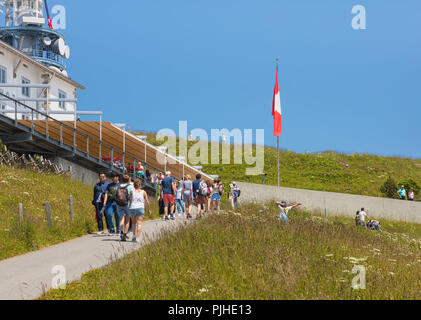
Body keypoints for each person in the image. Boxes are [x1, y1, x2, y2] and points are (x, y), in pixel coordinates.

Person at [128, 179, 151, 243]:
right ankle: (137, 238)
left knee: (133, 223)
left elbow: (130, 201)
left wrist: (129, 207)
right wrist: (149, 209)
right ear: (140, 185)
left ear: (134, 185)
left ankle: (134, 235)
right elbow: (147, 201)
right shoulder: (143, 192)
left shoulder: (132, 191)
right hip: (140, 208)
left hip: (133, 207)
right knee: (139, 223)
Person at [116, 175, 134, 241]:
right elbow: (132, 195)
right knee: (127, 220)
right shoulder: (130, 186)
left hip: (119, 204)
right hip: (128, 205)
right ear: (128, 179)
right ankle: (125, 234)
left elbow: (116, 195)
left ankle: (121, 232)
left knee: (121, 219)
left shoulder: (118, 186)